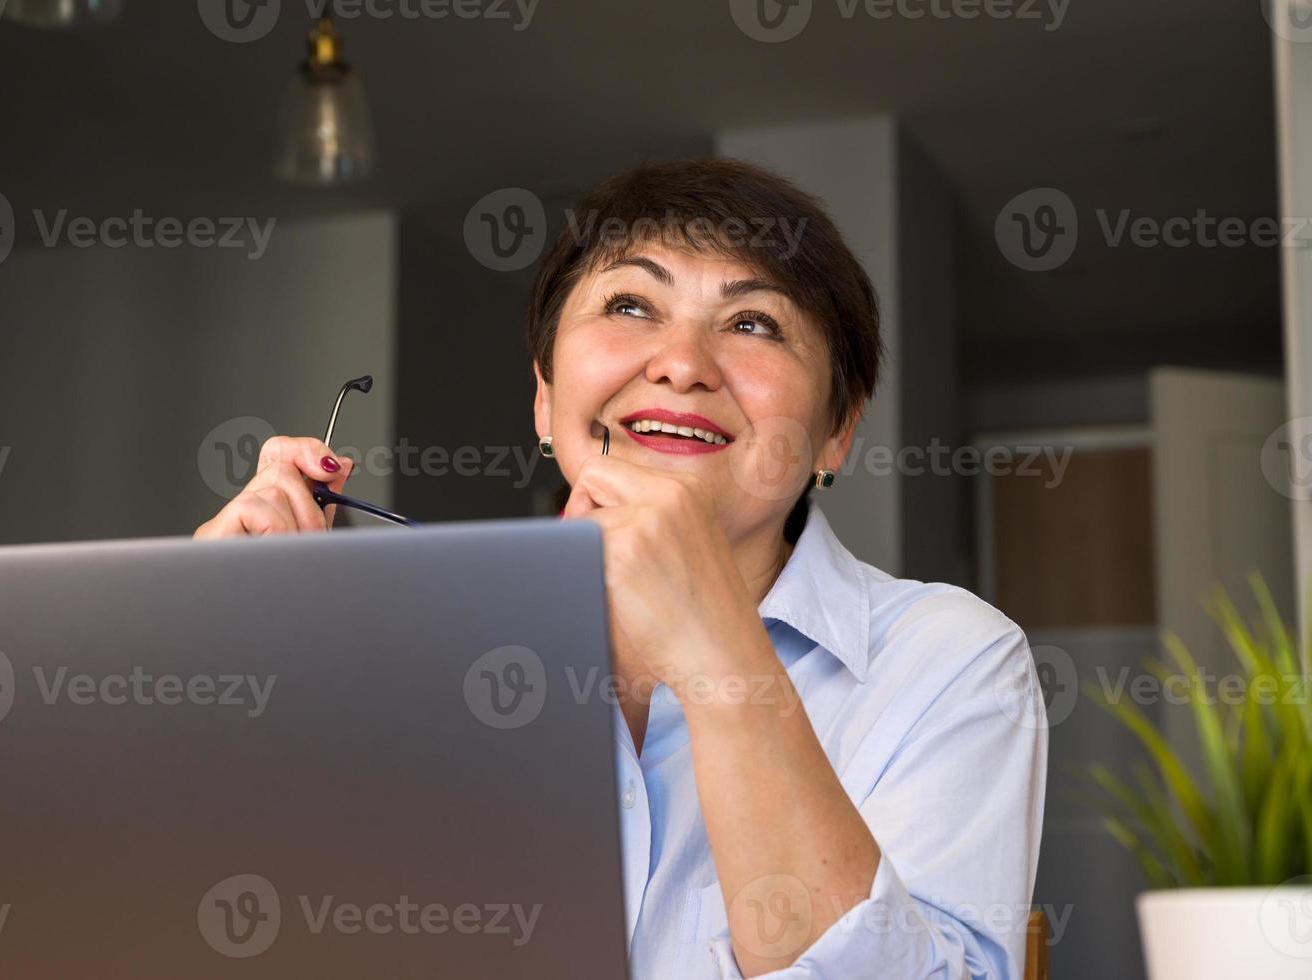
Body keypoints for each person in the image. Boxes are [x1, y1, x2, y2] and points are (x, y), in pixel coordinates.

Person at [195, 158, 1048, 979]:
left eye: (753, 323)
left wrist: (715, 649)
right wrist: (214, 670)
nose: (680, 363)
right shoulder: (409, 667)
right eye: (631, 304)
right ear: (544, 397)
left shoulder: (952, 663)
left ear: (836, 431)